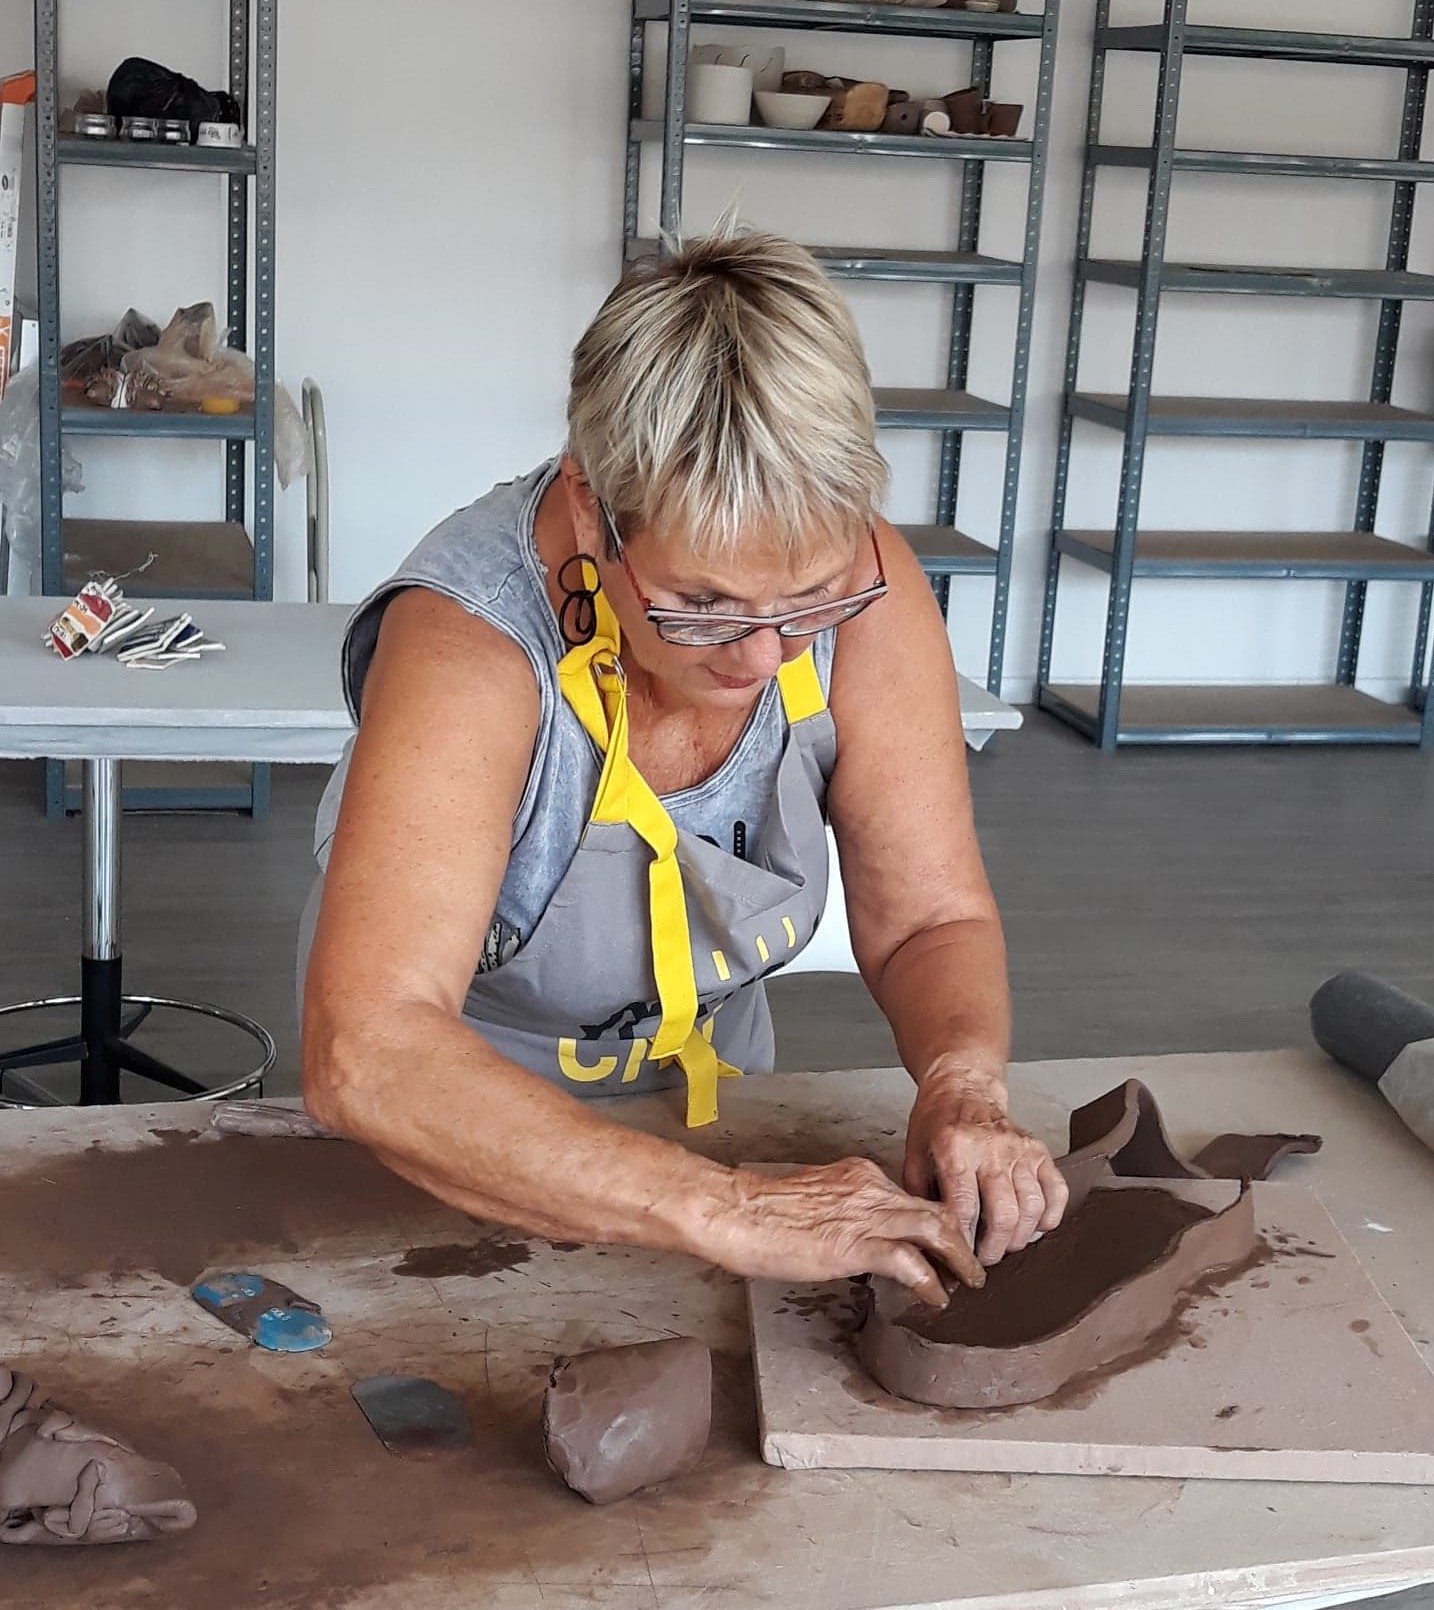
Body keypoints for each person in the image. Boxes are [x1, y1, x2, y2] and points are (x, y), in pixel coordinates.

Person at [299, 228, 1067, 1307]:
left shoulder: (871, 595)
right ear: (589, 509)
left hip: (714, 1111)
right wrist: (732, 1210)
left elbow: (929, 918)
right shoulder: (470, 645)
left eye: (810, 599)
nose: (763, 656)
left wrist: (962, 1081)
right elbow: (370, 1051)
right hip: (458, 1143)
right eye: (703, 604)